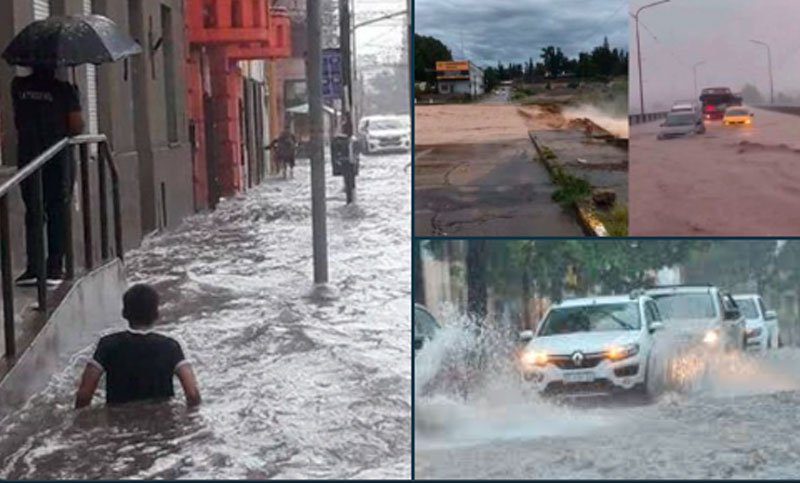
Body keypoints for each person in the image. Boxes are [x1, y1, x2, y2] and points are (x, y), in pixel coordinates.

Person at [11, 67, 84, 285]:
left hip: (28, 156)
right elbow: (76, 126)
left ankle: (34, 268)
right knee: (57, 211)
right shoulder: (66, 90)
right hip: (57, 158)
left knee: (34, 211)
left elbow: (18, 119)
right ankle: (54, 267)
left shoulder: (18, 86)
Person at [74, 284, 201, 408]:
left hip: (119, 421)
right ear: (156, 314)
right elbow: (192, 394)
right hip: (161, 421)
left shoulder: (107, 345)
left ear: (124, 313)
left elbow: (84, 395)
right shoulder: (171, 347)